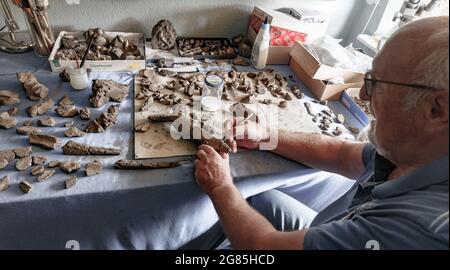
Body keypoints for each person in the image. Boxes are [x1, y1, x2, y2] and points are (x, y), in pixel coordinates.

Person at [194, 16, 449, 250]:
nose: (362, 94)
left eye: (376, 83)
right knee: (256, 198)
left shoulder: (415, 230)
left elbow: (264, 246)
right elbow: (341, 154)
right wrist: (265, 135)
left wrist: (219, 185)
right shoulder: (416, 148)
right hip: (327, 227)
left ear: (436, 110)